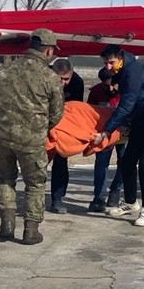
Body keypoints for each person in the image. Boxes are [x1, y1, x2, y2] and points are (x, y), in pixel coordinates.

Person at [0, 28, 65, 245]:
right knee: (35, 183)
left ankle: (7, 224)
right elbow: (57, 113)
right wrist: (39, 127)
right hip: (30, 140)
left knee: (4, 178)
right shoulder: (50, 77)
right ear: (48, 51)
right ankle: (31, 230)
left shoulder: (3, 71)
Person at [91, 45, 144, 227]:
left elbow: (125, 106)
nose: (108, 66)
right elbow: (110, 78)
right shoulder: (123, 69)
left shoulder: (132, 73)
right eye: (105, 63)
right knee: (127, 161)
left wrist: (106, 131)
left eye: (111, 62)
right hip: (142, 118)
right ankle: (131, 203)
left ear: (121, 58)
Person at [48, 58, 85, 214]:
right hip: (41, 122)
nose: (63, 83)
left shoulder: (76, 82)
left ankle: (57, 198)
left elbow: (74, 109)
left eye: (66, 79)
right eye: (60, 79)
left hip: (62, 124)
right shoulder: (43, 77)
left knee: (61, 160)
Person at [86, 67, 125, 213]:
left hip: (123, 132)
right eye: (106, 85)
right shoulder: (95, 92)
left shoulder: (126, 91)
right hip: (104, 133)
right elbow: (90, 113)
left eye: (112, 84)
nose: (110, 88)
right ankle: (99, 197)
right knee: (101, 163)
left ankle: (115, 191)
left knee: (125, 162)